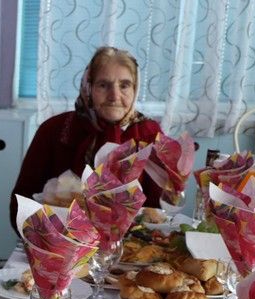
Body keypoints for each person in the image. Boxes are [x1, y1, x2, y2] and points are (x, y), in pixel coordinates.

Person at [10, 46, 164, 231]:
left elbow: (158, 212)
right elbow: (20, 205)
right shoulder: (54, 130)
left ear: (135, 88)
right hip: (61, 245)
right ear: (88, 87)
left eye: (124, 85)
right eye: (103, 85)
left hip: (132, 250)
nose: (114, 96)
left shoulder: (149, 134)